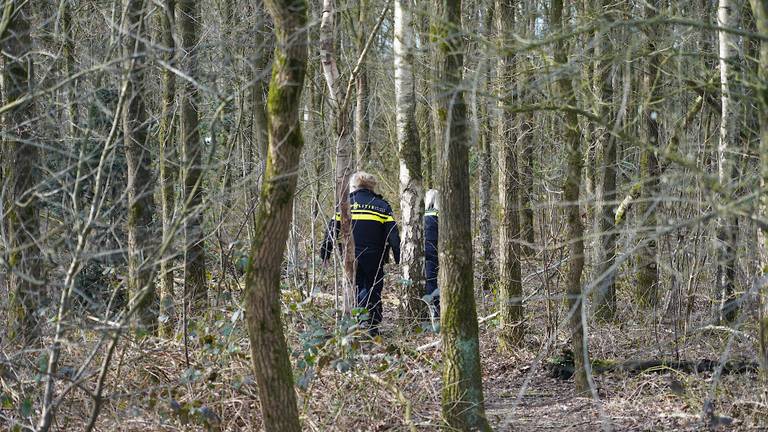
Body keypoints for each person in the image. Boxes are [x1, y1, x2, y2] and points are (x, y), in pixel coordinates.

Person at [321, 172, 401, 335]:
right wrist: (399, 257)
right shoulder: (382, 206)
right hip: (376, 256)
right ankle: (372, 326)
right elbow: (393, 235)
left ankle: (355, 324)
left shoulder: (344, 204)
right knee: (373, 289)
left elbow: (331, 230)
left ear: (354, 186)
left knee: (354, 288)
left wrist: (325, 254)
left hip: (350, 256)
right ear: (372, 186)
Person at [424, 189, 440, 319]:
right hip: (434, 252)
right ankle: (435, 310)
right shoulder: (440, 216)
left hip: (425, 252)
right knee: (432, 282)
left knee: (430, 281)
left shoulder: (421, 215)